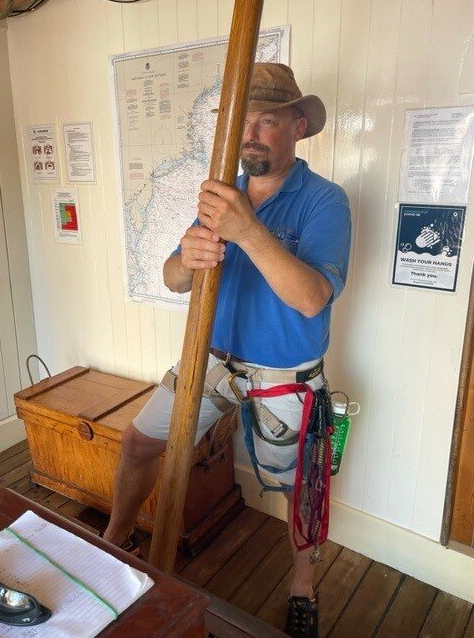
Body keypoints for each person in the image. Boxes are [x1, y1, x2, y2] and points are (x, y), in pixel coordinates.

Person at [104, 63, 351, 638]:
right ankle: (114, 540)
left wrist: (248, 232)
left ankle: (301, 584)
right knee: (140, 444)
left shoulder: (325, 202)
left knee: (299, 487)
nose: (252, 134)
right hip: (213, 362)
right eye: (244, 121)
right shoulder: (223, 196)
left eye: (267, 121)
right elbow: (170, 277)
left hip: (284, 374)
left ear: (298, 127)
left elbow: (313, 297)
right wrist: (184, 260)